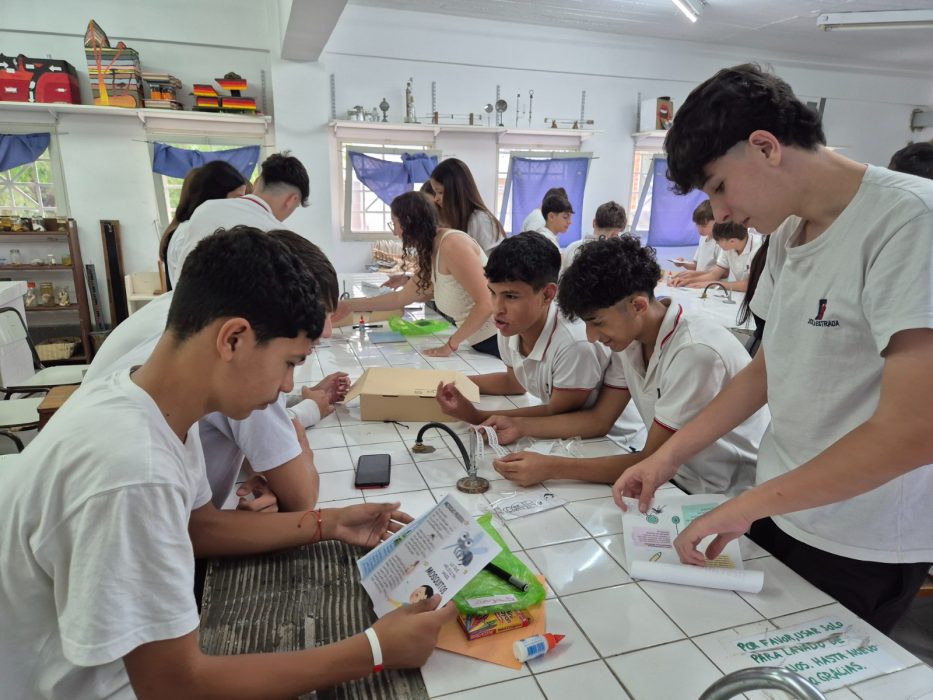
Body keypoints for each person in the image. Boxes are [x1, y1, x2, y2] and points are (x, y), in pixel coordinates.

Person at [0, 228, 455, 698]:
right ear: (233, 339)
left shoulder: (153, 403)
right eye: (288, 363)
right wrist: (376, 649)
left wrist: (329, 522)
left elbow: (198, 527)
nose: (287, 386)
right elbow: (176, 687)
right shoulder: (134, 469)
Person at [614, 63, 933, 634]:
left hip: (861, 536)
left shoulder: (912, 223)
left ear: (765, 147)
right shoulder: (789, 232)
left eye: (718, 187)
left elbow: (914, 432)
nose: (722, 215)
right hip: (780, 505)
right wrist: (668, 455)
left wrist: (744, 505)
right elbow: (767, 367)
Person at [87, 230, 349, 514]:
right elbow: (301, 499)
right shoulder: (233, 365)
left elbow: (200, 523)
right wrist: (300, 439)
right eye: (317, 313)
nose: (327, 330)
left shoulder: (190, 319)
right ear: (235, 337)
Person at [487, 236, 768, 492]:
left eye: (597, 323)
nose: (591, 337)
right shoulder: (631, 338)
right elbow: (599, 420)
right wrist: (520, 426)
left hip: (726, 491)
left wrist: (551, 467)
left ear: (638, 306)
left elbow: (651, 458)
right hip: (677, 477)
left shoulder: (695, 352)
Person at [434, 231, 609, 426]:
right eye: (492, 292)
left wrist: (478, 415)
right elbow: (514, 383)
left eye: (511, 296)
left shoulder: (574, 343)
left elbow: (556, 412)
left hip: (613, 442)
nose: (497, 308)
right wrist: (456, 383)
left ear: (547, 295)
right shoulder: (511, 327)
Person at [334, 191, 498, 358]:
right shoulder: (432, 249)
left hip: (496, 340)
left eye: (394, 224)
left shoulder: (452, 245)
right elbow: (399, 299)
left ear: (408, 222)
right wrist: (349, 305)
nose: (394, 232)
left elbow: (486, 302)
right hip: (480, 342)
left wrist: (450, 345)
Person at [166, 151, 310, 285]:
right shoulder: (278, 235)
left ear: (257, 182)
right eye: (296, 206)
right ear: (292, 200)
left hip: (183, 304)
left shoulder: (207, 208)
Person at [158, 160, 248, 290]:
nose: (241, 204)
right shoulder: (191, 232)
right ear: (217, 196)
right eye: (237, 198)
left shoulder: (196, 228)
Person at [429, 158, 505, 254]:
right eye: (435, 192)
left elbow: (495, 262)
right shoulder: (451, 219)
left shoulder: (480, 219)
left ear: (457, 191)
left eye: (440, 192)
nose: (436, 199)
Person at [671, 221, 764, 291]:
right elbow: (714, 274)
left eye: (718, 241)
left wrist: (715, 284)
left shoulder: (759, 248)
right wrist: (689, 281)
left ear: (732, 241)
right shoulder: (728, 246)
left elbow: (751, 285)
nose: (717, 243)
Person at [560, 200, 627, 274]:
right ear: (616, 233)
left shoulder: (571, 248)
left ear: (594, 222)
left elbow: (561, 281)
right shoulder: (617, 257)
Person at [671, 200, 720, 273]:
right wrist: (683, 263)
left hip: (712, 283)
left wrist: (696, 274)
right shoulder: (703, 238)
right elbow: (696, 266)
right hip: (700, 281)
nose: (700, 230)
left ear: (716, 221)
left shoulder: (720, 243)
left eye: (704, 226)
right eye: (697, 225)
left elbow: (722, 272)